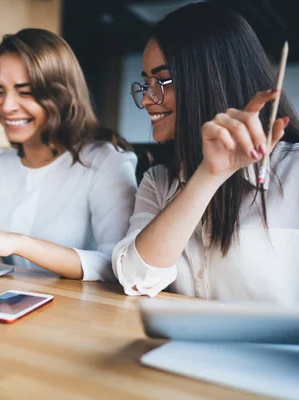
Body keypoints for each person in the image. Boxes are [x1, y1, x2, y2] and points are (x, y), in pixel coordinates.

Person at [0, 28, 137, 281]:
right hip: (15, 303)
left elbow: (118, 263)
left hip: (83, 311)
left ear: (60, 93)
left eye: (26, 91)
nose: (6, 106)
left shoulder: (106, 161)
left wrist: (17, 243)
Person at [112, 3, 299, 302]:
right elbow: (134, 279)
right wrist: (209, 176)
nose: (147, 99)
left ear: (212, 77)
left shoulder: (293, 171)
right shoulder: (158, 182)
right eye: (146, 83)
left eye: (162, 81)